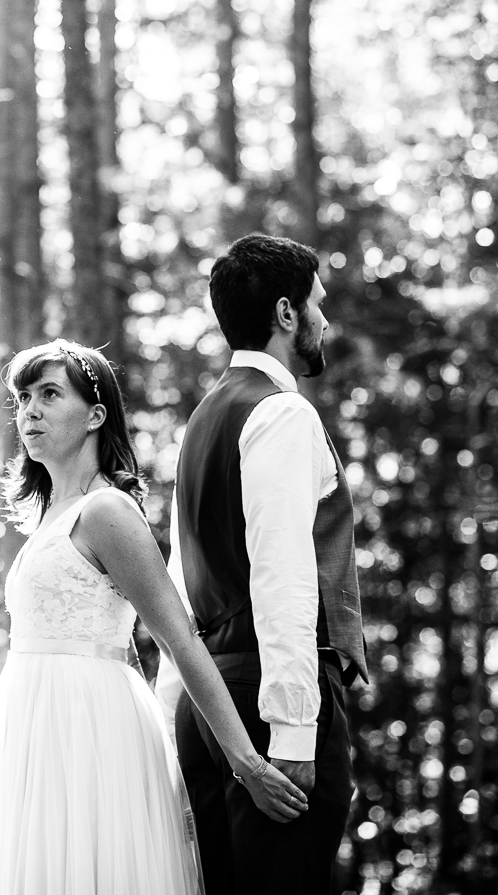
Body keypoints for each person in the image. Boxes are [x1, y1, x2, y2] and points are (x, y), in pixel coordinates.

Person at [0, 339, 308, 895]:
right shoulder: (50, 517)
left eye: (49, 394)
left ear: (96, 415)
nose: (30, 411)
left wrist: (249, 763)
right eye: (23, 398)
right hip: (32, 730)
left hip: (89, 729)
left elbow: (178, 639)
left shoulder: (106, 512)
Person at [170, 233, 369, 895]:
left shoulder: (203, 420)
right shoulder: (279, 412)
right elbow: (283, 578)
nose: (325, 320)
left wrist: (189, 705)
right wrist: (293, 730)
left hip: (211, 709)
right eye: (318, 303)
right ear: (287, 313)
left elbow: (179, 584)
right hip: (268, 707)